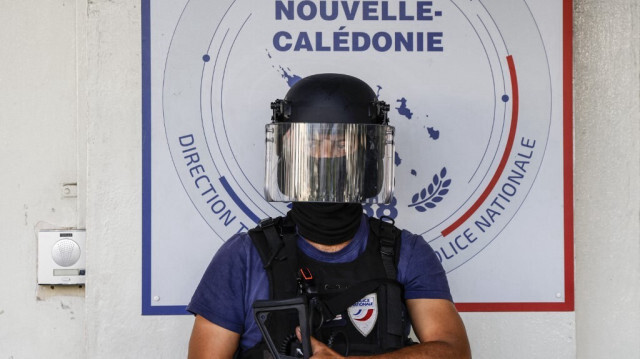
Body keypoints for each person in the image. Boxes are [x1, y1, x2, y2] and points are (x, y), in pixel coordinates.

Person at [187, 73, 471, 358]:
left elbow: (454, 352)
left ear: (368, 155)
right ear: (288, 151)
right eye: (312, 143)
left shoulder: (404, 252)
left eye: (342, 144)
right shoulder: (244, 257)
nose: (326, 158)